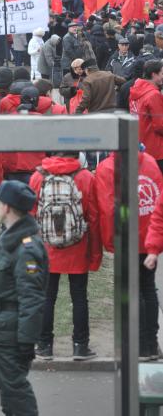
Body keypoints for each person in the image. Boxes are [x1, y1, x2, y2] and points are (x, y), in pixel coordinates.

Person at [0, 181, 48, 416]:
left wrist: (26, 341)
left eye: (0, 202)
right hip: (3, 326)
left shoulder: (25, 249)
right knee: (8, 389)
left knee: (15, 390)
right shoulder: (10, 240)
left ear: (7, 207)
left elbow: (32, 298)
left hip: (12, 331)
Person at [30, 153, 102, 361]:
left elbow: (31, 214)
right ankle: (80, 346)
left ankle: (44, 346)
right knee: (79, 297)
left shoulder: (38, 176)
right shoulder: (86, 177)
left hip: (46, 247)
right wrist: (95, 253)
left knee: (46, 297)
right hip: (77, 246)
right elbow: (94, 216)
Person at [96, 148, 163, 360]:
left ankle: (140, 346)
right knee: (148, 288)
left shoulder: (107, 168)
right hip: (149, 236)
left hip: (126, 237)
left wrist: (110, 241)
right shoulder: (151, 162)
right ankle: (151, 344)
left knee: (134, 292)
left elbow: (108, 210)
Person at [130, 59, 163, 173]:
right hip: (156, 150)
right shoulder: (154, 95)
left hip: (141, 146)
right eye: (162, 73)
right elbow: (160, 125)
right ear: (154, 74)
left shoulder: (135, 90)